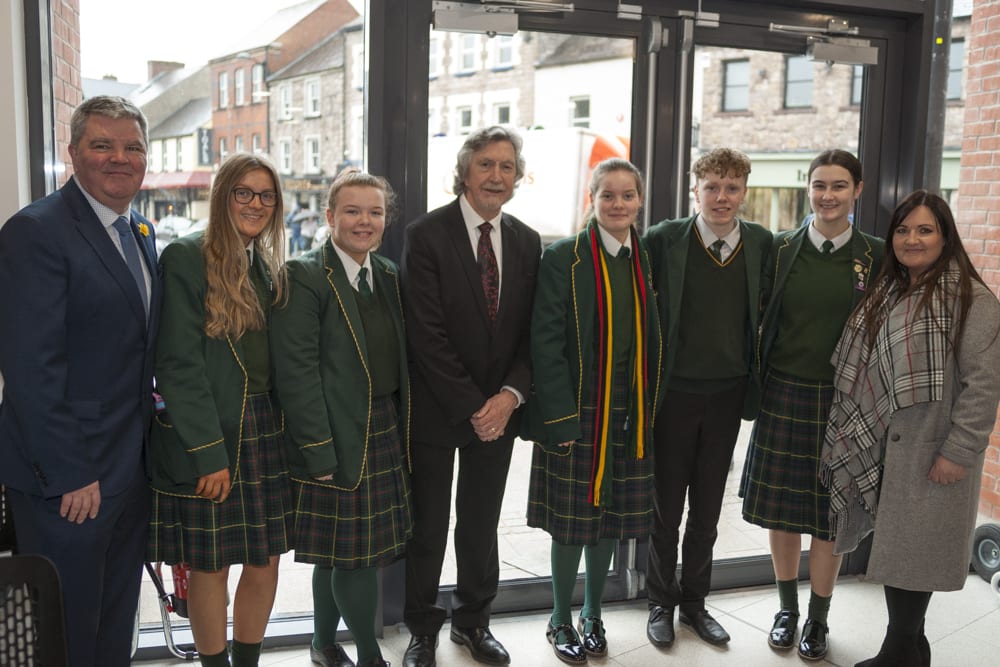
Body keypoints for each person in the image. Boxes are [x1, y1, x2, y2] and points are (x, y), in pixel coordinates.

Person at [0, 95, 160, 667]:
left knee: (114, 625)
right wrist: (70, 472)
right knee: (67, 633)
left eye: (132, 147)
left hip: (129, 470)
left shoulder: (139, 230)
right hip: (71, 482)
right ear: (72, 152)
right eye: (102, 145)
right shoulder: (35, 231)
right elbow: (30, 369)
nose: (120, 158)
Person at [821, 190, 1000, 667]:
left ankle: (899, 651)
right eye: (903, 230)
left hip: (931, 448)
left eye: (925, 230)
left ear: (945, 237)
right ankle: (909, 648)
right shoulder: (890, 289)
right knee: (901, 552)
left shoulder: (972, 299)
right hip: (890, 445)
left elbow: (984, 386)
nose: (911, 239)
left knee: (913, 556)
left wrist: (958, 452)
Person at [400, 125, 541, 667]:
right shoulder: (426, 234)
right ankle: (422, 629)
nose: (496, 175)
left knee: (481, 524)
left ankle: (474, 622)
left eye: (507, 166)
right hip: (438, 409)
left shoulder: (527, 241)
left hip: (500, 413)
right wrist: (472, 406)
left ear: (517, 178)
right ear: (464, 171)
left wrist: (508, 398)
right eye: (486, 164)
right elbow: (426, 333)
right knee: (428, 526)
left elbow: (530, 333)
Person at [147, 152, 293, 667]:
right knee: (210, 565)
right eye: (244, 192)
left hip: (264, 430)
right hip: (213, 430)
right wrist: (209, 453)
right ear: (222, 196)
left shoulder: (267, 265)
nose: (256, 204)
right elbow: (177, 363)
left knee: (266, 560)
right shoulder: (186, 257)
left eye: (266, 195)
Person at [739, 149, 883, 661]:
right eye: (819, 185)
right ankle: (786, 611)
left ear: (857, 190)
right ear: (809, 189)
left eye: (839, 186)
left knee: (829, 516)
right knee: (782, 515)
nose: (828, 195)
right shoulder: (780, 249)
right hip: (783, 393)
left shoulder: (876, 256)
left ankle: (818, 620)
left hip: (843, 400)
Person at [523, 158, 663, 664]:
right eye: (608, 195)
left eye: (627, 195)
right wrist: (560, 417)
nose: (618, 204)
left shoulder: (644, 256)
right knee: (572, 522)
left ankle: (593, 614)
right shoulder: (565, 257)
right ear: (592, 198)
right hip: (578, 404)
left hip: (629, 406)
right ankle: (560, 617)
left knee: (608, 520)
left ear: (639, 201)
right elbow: (545, 341)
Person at [271, 169, 411, 667]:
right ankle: (370, 656)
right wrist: (317, 449)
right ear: (330, 216)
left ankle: (322, 644)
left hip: (383, 426)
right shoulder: (305, 275)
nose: (364, 221)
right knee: (355, 555)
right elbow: (296, 373)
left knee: (341, 551)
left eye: (375, 212)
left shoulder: (387, 273)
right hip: (334, 432)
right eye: (352, 211)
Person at [642, 148, 772, 649]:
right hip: (673, 393)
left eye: (732, 187)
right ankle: (660, 601)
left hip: (727, 394)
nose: (722, 197)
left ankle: (695, 603)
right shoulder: (664, 239)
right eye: (712, 186)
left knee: (708, 509)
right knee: (665, 508)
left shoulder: (760, 243)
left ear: (744, 192)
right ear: (694, 189)